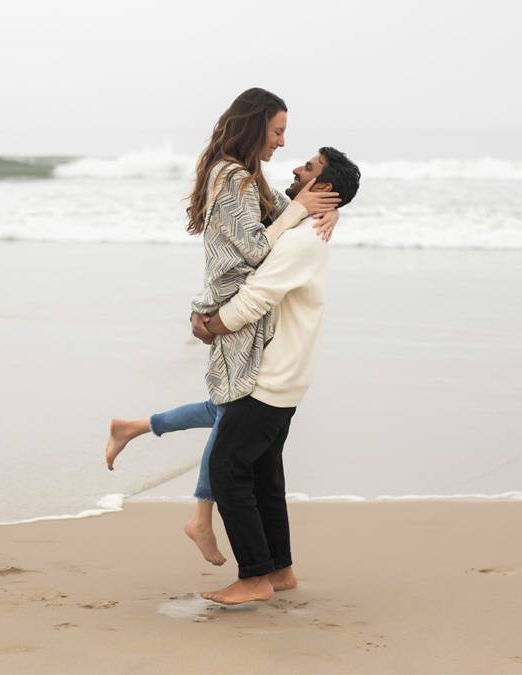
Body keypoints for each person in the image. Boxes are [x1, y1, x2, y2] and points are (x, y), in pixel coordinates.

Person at [103, 88, 339, 566]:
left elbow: (281, 218)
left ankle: (139, 433)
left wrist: (327, 208)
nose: (281, 142)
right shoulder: (230, 176)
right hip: (228, 308)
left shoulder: (249, 175)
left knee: (228, 410)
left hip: (235, 309)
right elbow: (256, 248)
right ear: (254, 126)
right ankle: (200, 519)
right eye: (277, 131)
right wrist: (301, 210)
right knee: (231, 413)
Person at [193, 147, 361, 605]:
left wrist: (209, 326)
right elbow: (268, 232)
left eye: (308, 168)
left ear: (323, 189)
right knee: (264, 476)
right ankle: (279, 570)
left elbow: (255, 297)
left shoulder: (304, 239)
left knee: (227, 470)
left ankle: (253, 579)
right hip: (287, 373)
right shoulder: (307, 230)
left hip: (270, 376)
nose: (295, 167)